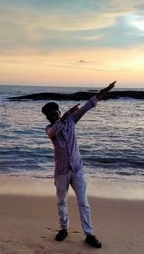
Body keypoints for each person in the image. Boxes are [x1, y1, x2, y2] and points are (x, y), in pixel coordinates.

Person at [41, 81, 116, 248]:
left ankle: (89, 234)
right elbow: (54, 131)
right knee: (61, 202)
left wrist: (102, 92)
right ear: (47, 117)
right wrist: (66, 114)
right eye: (49, 115)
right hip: (61, 172)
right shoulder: (49, 129)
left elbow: (87, 107)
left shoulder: (72, 120)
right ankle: (63, 229)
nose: (53, 116)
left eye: (55, 113)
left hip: (77, 169)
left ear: (58, 112)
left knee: (83, 203)